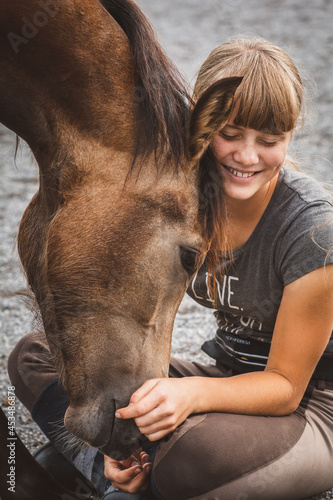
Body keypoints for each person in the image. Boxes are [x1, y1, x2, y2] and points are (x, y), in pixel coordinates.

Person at [7, 38, 333, 500]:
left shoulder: (314, 230)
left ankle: (105, 477)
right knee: (36, 354)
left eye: (269, 140)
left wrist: (190, 396)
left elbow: (283, 387)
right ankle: (115, 473)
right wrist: (118, 444)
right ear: (202, 123)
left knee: (190, 456)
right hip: (226, 376)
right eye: (232, 133)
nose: (247, 155)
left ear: (290, 137)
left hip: (309, 409)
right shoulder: (186, 198)